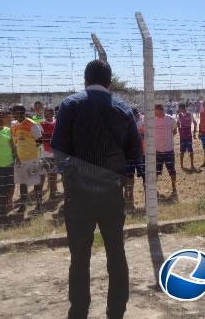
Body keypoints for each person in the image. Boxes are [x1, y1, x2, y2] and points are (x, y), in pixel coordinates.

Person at [52, 60, 141, 319]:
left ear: (85, 79)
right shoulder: (123, 109)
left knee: (79, 257)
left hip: (78, 195)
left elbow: (59, 148)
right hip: (111, 194)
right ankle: (116, 312)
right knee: (116, 252)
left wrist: (71, 179)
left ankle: (79, 311)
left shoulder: (70, 105)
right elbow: (134, 152)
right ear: (110, 81)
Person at [10, 104, 44, 213]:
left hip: (32, 159)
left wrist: (30, 150)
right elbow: (15, 142)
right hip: (20, 159)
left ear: (21, 112)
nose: (12, 114)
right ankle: (23, 206)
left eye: (14, 112)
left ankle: (39, 205)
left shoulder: (32, 124)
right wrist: (17, 155)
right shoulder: (14, 124)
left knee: (36, 183)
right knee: (22, 183)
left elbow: (39, 140)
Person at [154, 104, 178, 198]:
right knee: (156, 171)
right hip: (158, 151)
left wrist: (167, 139)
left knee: (172, 170)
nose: (154, 113)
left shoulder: (171, 119)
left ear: (160, 110)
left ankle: (174, 187)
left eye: (155, 111)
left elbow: (175, 131)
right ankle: (154, 189)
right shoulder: (153, 120)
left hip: (169, 150)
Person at [124, 108, 145, 210]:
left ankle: (147, 202)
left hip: (142, 154)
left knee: (145, 178)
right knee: (129, 179)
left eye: (136, 115)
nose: (135, 117)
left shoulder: (144, 120)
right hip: (129, 155)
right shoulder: (124, 123)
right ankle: (129, 201)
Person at [41, 107, 59, 200]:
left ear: (52, 114)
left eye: (48, 113)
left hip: (55, 154)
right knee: (42, 175)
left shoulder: (57, 123)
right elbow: (38, 139)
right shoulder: (41, 124)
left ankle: (52, 193)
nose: (46, 115)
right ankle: (39, 195)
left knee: (53, 175)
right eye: (45, 113)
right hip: (44, 154)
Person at [176, 103, 197, 171]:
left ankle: (192, 164)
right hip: (182, 135)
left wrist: (194, 133)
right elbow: (178, 123)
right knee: (182, 151)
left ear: (182, 108)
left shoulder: (190, 114)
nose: (179, 110)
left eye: (179, 108)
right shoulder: (179, 115)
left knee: (190, 150)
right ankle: (181, 165)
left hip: (188, 135)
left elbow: (195, 123)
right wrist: (179, 130)